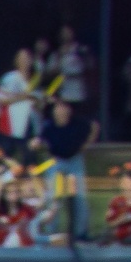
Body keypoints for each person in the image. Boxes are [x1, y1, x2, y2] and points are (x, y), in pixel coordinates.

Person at [43, 99, 96, 240]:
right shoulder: (49, 126)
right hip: (56, 161)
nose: (60, 111)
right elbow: (42, 140)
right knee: (53, 197)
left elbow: (94, 127)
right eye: (57, 109)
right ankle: (50, 232)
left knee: (79, 197)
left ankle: (80, 233)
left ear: (68, 110)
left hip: (74, 160)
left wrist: (87, 144)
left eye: (63, 108)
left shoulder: (79, 123)